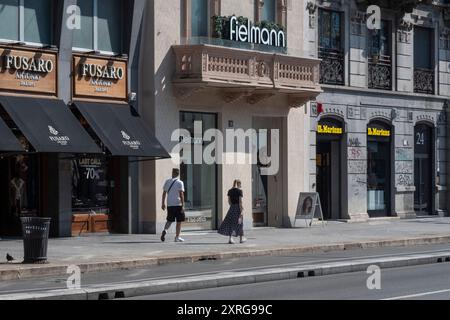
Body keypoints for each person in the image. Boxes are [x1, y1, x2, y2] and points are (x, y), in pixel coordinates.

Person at [161, 168, 185, 242]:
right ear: (178, 174)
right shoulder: (180, 182)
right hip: (178, 204)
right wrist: (183, 205)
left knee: (169, 220)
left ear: (172, 173)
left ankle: (165, 230)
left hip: (170, 204)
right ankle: (177, 237)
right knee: (179, 221)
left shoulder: (167, 181)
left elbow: (164, 193)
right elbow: (181, 194)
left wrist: (163, 203)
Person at [218, 179, 246, 244]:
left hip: (231, 208)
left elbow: (229, 201)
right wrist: (241, 209)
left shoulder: (230, 191)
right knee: (240, 223)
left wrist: (232, 207)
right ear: (238, 184)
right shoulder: (239, 191)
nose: (240, 185)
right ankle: (241, 238)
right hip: (238, 208)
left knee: (231, 223)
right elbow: (240, 202)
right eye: (240, 184)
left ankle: (230, 238)